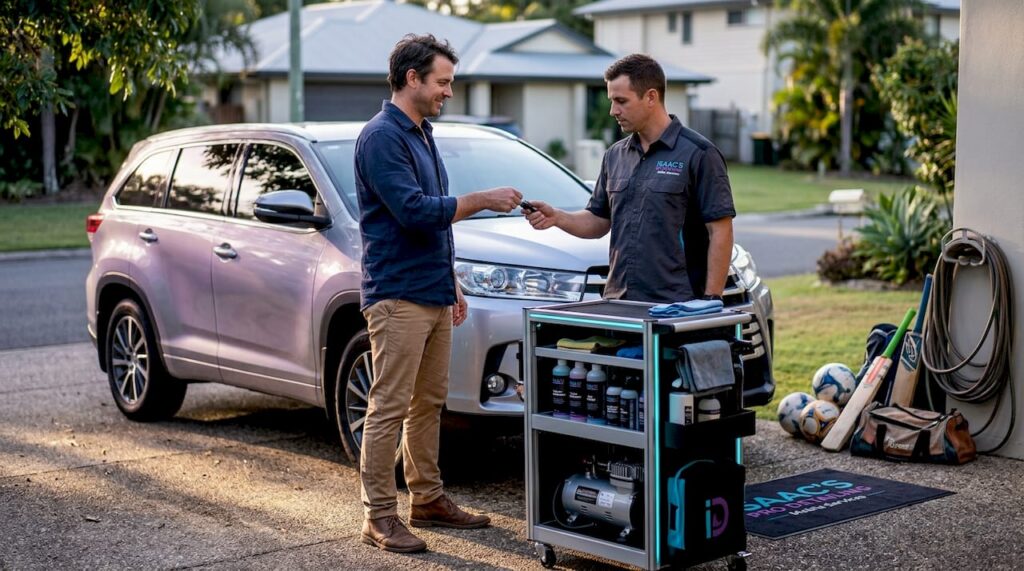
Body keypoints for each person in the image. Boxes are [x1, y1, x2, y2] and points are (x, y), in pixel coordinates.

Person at [353, 34, 522, 554]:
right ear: (412, 78)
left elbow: (434, 222)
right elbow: (415, 211)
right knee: (389, 405)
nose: (448, 92)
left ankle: (426, 499)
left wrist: (452, 281)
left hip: (431, 289)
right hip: (397, 294)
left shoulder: (423, 134)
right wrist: (483, 199)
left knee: (427, 403)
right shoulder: (381, 137)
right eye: (442, 82)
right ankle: (379, 516)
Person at [526, 54, 735, 303]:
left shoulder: (699, 154)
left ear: (651, 97)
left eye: (621, 101)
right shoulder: (614, 156)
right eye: (612, 101)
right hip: (619, 301)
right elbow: (598, 220)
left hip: (677, 306)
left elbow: (720, 231)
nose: (613, 110)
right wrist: (557, 217)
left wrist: (711, 299)